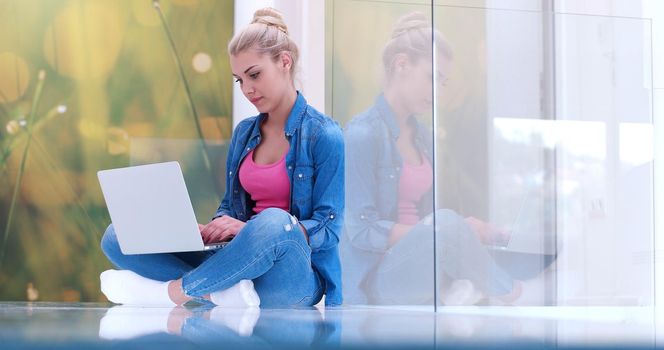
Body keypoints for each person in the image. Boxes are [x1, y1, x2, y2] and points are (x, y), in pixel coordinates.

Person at [99, 7, 344, 308]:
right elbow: (231, 205)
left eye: (254, 75)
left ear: (284, 62)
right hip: (239, 262)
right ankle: (221, 293)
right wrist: (214, 228)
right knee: (117, 236)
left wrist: (251, 229)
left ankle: (176, 292)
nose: (247, 89)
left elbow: (329, 228)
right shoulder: (244, 133)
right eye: (239, 80)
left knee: (274, 222)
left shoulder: (324, 135)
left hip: (293, 274)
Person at [340, 12, 523, 305]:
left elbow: (430, 222)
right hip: (378, 278)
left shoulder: (423, 137)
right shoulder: (361, 135)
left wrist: (462, 228)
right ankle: (509, 293)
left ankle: (480, 286)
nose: (438, 91)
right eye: (433, 77)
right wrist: (443, 230)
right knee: (449, 224)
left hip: (421, 266)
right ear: (401, 65)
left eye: (443, 82)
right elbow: (362, 231)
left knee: (456, 224)